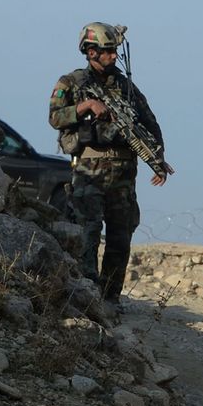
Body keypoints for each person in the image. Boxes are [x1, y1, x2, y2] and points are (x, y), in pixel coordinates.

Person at [47, 22, 170, 307]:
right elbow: (55, 118)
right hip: (89, 171)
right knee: (87, 233)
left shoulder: (126, 87)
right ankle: (87, 295)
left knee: (121, 236)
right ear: (91, 52)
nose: (114, 56)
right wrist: (86, 106)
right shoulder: (71, 82)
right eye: (108, 51)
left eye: (115, 50)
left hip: (123, 172)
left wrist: (158, 158)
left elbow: (149, 122)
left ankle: (111, 298)